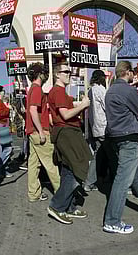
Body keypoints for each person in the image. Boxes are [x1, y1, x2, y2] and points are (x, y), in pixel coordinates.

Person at [103, 61, 138, 235]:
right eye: (133, 72)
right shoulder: (129, 90)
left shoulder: (110, 90)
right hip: (129, 137)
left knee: (134, 176)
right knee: (123, 179)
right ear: (127, 72)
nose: (134, 74)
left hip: (115, 137)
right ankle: (112, 221)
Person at [47, 62, 91, 225]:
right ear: (57, 74)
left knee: (68, 171)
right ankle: (57, 206)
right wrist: (83, 106)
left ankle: (69, 207)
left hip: (68, 133)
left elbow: (62, 111)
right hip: (67, 133)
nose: (69, 74)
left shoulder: (61, 93)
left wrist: (78, 105)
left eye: (69, 71)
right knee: (78, 169)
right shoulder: (57, 91)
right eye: (65, 71)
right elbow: (65, 115)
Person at [25, 63, 60, 202]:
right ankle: (62, 194)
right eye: (45, 73)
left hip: (32, 132)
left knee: (34, 164)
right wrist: (41, 131)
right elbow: (33, 110)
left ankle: (34, 193)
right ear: (40, 74)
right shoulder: (37, 89)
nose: (46, 76)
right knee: (51, 164)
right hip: (39, 131)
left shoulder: (32, 89)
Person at [84, 69, 108, 192]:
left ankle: (90, 181)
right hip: (103, 126)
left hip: (95, 127)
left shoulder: (90, 91)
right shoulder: (100, 90)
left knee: (99, 154)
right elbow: (107, 107)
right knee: (113, 154)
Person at [0, 85, 14, 178]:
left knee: (3, 149)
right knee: (8, 149)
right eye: (3, 91)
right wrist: (8, 108)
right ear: (0, 92)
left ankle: (1, 170)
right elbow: (1, 113)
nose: (4, 93)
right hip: (2, 126)